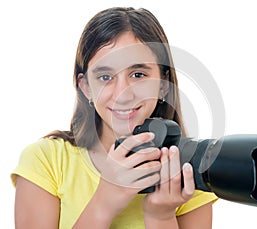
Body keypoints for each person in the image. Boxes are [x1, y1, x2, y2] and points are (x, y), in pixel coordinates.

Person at [11, 7, 218, 229]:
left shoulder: (188, 172)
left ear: (163, 86)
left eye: (138, 75)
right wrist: (104, 202)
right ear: (86, 88)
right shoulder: (46, 160)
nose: (123, 93)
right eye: (105, 77)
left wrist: (161, 216)